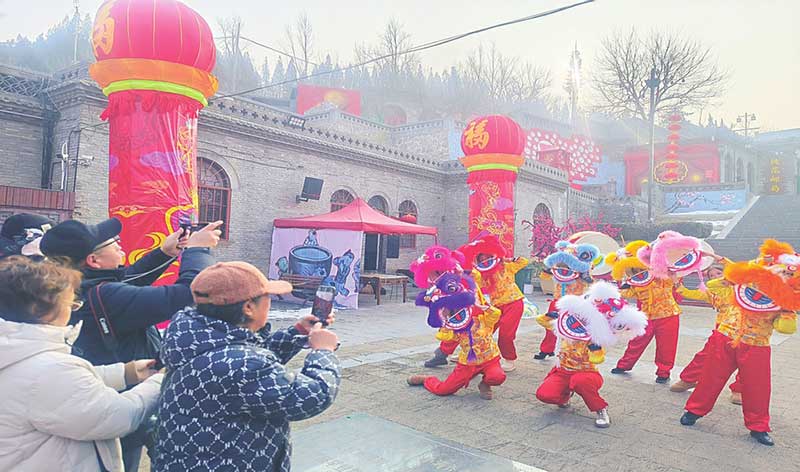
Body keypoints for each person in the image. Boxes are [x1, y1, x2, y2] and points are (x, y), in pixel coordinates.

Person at [39, 217, 220, 471]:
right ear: (93, 260)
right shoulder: (107, 296)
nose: (120, 246)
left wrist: (165, 253)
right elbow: (187, 294)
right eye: (114, 243)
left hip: (100, 397)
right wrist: (197, 251)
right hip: (121, 405)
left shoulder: (78, 286)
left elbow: (128, 280)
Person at [152, 261, 341, 472]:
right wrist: (323, 351)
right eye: (268, 297)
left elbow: (246, 358)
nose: (270, 302)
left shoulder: (195, 338)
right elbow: (311, 396)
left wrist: (296, 332)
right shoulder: (242, 364)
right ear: (249, 307)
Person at [0, 256, 163, 472]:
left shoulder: (17, 350)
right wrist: (160, 381)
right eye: (70, 303)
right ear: (40, 310)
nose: (73, 310)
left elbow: (61, 389)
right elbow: (116, 416)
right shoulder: (50, 371)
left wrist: (125, 373)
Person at [679, 240, 799, 446]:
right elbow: (713, 285)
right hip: (725, 336)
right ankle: (694, 410)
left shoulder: (785, 299)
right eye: (781, 271)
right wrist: (743, 272)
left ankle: (758, 426)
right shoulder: (743, 282)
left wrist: (787, 313)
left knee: (757, 387)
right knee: (710, 377)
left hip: (757, 344)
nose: (784, 276)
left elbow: (785, 328)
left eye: (789, 275)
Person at [535, 281, 648, 428]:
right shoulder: (565, 325)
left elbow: (598, 359)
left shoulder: (597, 336)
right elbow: (542, 321)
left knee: (579, 381)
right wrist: (548, 316)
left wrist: (595, 349)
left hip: (587, 373)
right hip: (562, 371)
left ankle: (601, 409)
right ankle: (565, 396)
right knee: (544, 394)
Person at [407, 271, 506, 399]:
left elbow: (496, 314)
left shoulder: (482, 319)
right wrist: (444, 322)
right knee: (443, 390)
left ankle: (485, 384)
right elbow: (444, 337)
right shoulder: (454, 327)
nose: (457, 311)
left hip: (490, 358)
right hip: (467, 364)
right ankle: (426, 379)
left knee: (498, 377)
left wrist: (484, 307)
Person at [605, 240, 682, 383]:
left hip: (668, 315)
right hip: (646, 317)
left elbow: (672, 278)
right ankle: (624, 365)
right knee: (636, 342)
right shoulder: (635, 282)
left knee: (667, 346)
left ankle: (663, 372)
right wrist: (618, 288)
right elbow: (627, 294)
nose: (637, 270)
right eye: (633, 268)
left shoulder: (661, 276)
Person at [671, 260, 743, 404]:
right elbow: (690, 293)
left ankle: (739, 390)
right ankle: (689, 379)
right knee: (705, 354)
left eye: (718, 273)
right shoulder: (711, 292)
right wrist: (676, 280)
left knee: (743, 359)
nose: (715, 277)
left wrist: (719, 258)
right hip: (722, 328)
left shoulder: (736, 287)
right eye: (711, 276)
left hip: (744, 328)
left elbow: (737, 270)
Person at [457, 235, 528, 372]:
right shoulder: (483, 274)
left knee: (506, 334)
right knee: (482, 330)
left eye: (488, 257)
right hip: (495, 307)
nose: (485, 261)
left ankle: (509, 359)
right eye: (482, 259)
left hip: (513, 303)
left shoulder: (507, 266)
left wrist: (506, 259)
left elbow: (524, 261)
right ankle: (471, 354)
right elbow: (474, 281)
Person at [533, 241, 600, 360]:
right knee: (550, 325)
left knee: (573, 329)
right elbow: (544, 276)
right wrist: (548, 270)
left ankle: (571, 353)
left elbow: (590, 282)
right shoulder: (558, 268)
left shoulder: (585, 269)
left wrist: (584, 274)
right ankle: (546, 350)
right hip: (558, 301)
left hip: (575, 303)